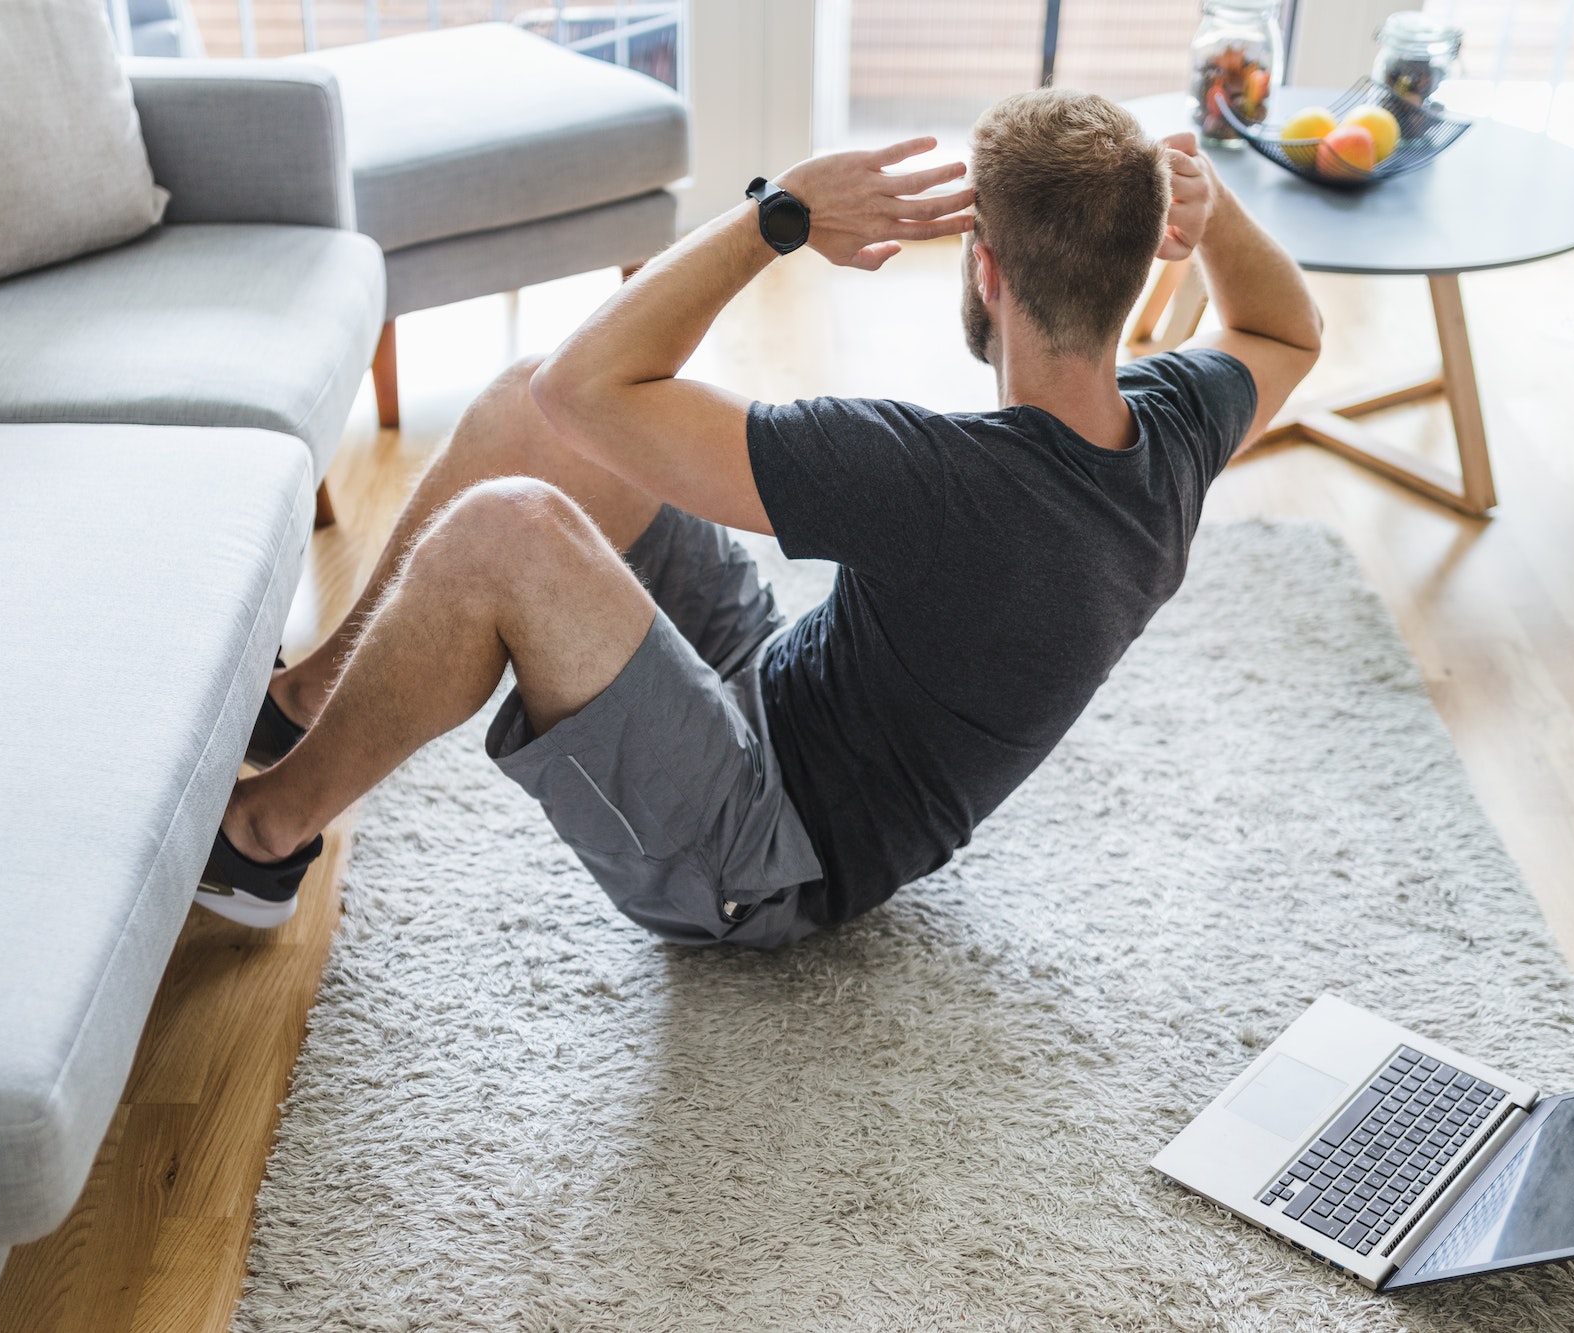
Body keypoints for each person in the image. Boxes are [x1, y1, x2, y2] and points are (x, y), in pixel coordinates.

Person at [196, 89, 1322, 946]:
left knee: (510, 528)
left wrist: (775, 218)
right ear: (1137, 268)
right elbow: (1284, 331)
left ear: (983, 269)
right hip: (778, 685)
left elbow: (590, 386)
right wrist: (1214, 216)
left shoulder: (933, 482)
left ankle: (260, 843)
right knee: (537, 421)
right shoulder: (1175, 432)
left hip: (765, 859)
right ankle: (307, 703)